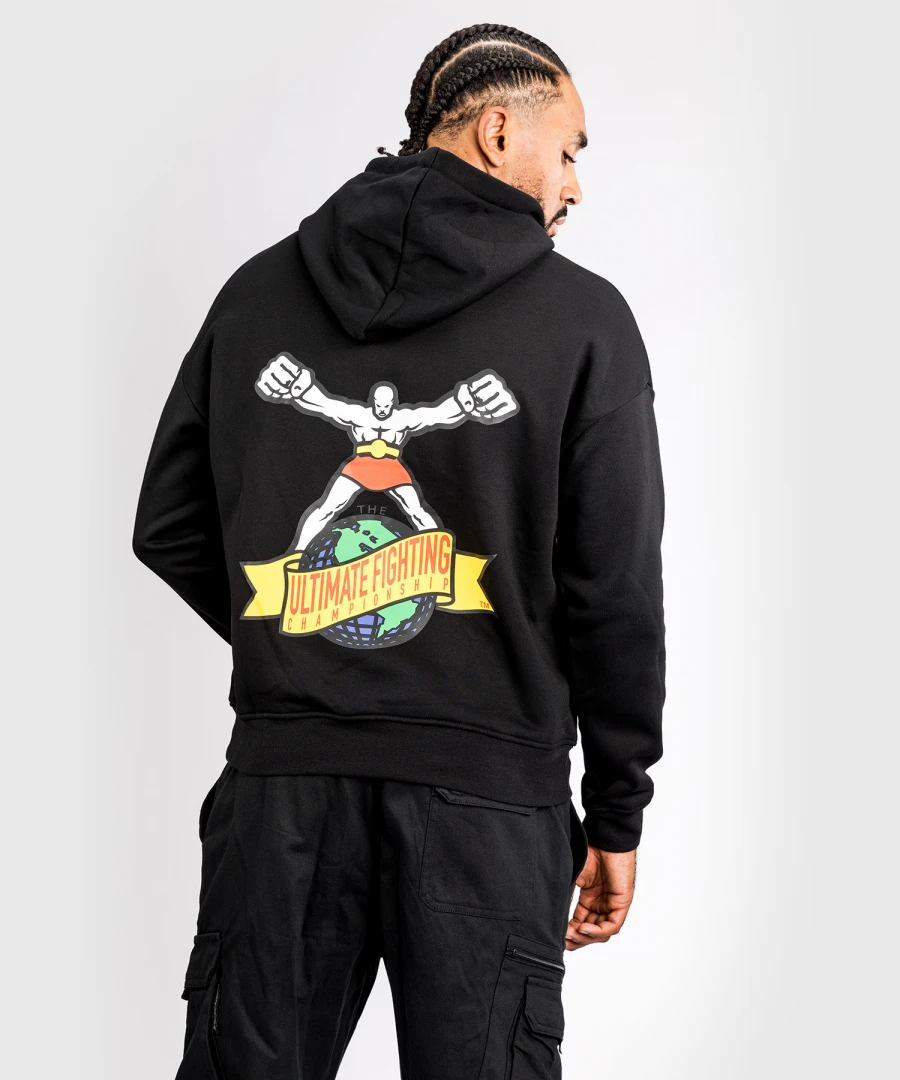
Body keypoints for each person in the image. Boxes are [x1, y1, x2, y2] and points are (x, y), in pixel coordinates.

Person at [133, 22, 665, 1080]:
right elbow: (614, 593)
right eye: (569, 151)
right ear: (500, 131)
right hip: (490, 809)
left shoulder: (257, 295)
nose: (573, 186)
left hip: (281, 801)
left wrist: (309, 634)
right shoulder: (585, 323)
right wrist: (617, 811)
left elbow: (171, 524)